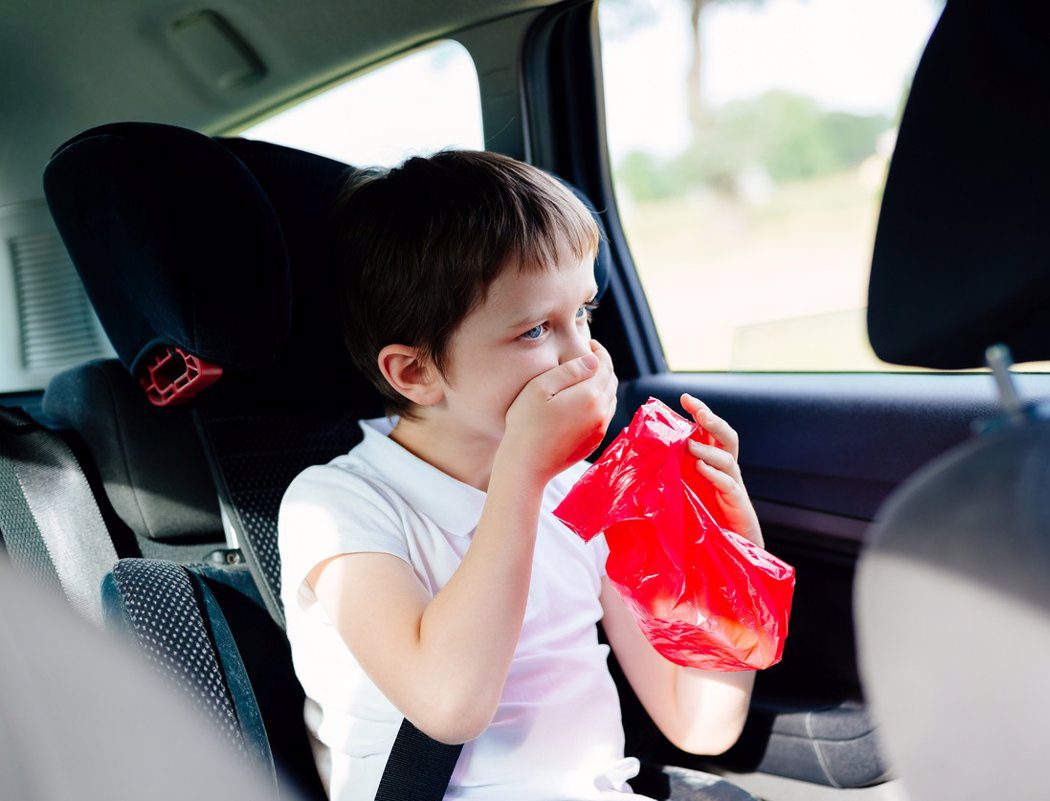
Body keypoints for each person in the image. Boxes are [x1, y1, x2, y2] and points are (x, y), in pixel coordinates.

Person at [277, 150, 771, 801]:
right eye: (537, 328)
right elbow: (449, 704)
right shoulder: (334, 506)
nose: (584, 354)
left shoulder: (577, 488)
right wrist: (522, 471)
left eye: (584, 314)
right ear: (416, 372)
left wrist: (732, 554)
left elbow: (701, 721)